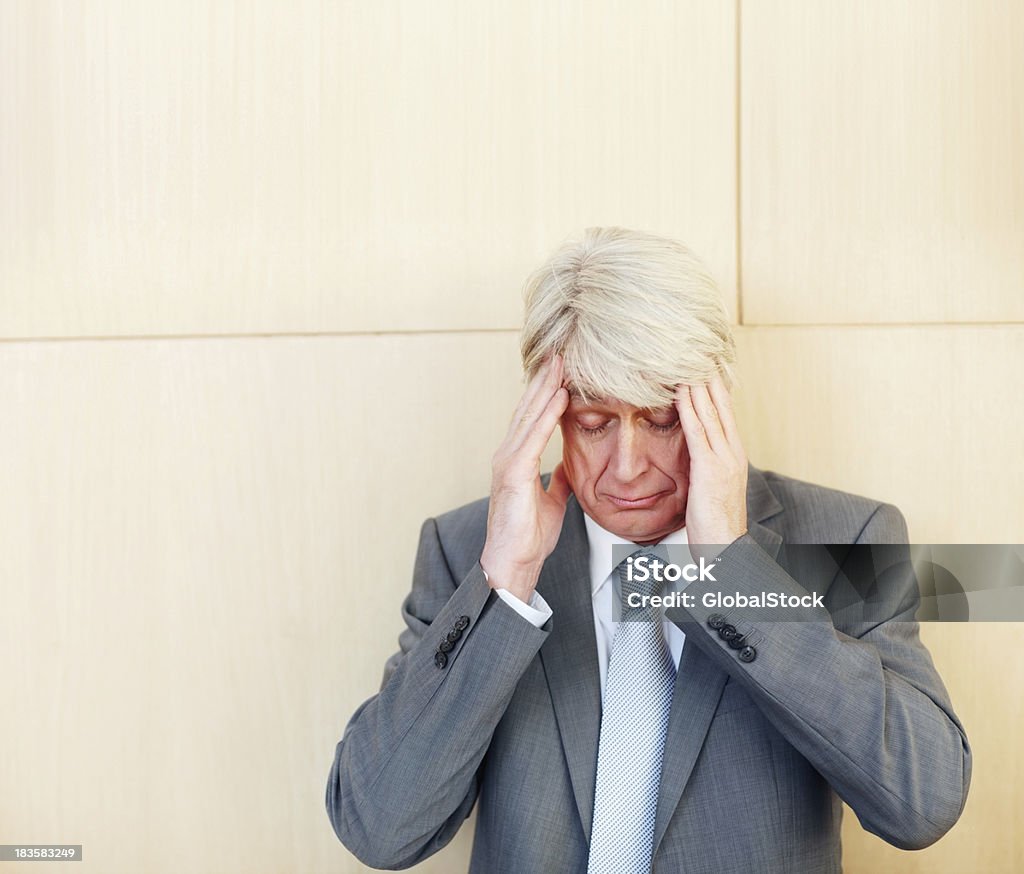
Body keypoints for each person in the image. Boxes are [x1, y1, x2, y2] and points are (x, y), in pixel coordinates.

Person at [325, 227, 971, 873]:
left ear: (711, 401)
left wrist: (733, 571)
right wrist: (506, 581)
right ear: (547, 417)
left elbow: (921, 805)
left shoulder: (846, 538)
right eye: (593, 423)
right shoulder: (466, 549)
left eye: (660, 420)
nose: (628, 468)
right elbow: (380, 830)